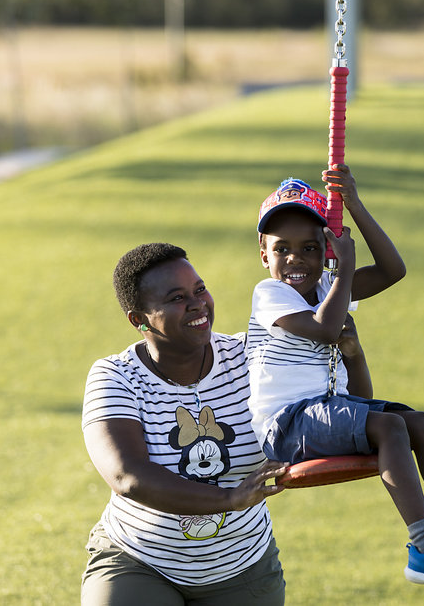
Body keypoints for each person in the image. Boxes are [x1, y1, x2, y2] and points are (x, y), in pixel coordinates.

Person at [246, 166, 424, 587]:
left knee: (421, 423)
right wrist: (344, 268)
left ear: (326, 246)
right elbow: (325, 328)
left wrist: (356, 206)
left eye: (310, 248)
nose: (295, 259)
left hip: (320, 414)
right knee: (389, 426)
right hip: (286, 426)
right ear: (263, 253)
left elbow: (392, 270)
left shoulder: (329, 285)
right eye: (282, 249)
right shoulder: (270, 294)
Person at [81, 243, 289, 605]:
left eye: (199, 289)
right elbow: (126, 475)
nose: (197, 303)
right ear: (139, 319)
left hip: (242, 565)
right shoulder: (115, 375)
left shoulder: (251, 358)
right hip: (140, 561)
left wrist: (350, 353)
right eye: (177, 297)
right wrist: (230, 498)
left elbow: (325, 417)